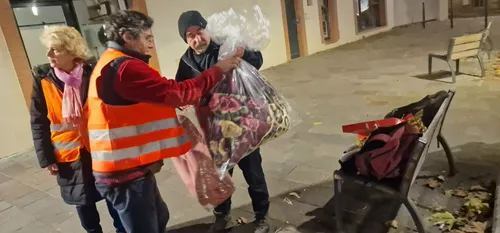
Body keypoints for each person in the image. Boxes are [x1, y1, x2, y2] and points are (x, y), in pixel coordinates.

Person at [87, 10, 240, 233]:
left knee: (159, 217)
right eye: (147, 38)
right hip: (123, 172)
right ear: (128, 37)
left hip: (131, 166)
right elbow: (177, 92)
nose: (151, 45)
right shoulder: (125, 67)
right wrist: (218, 70)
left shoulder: (111, 61)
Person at [176, 10, 270, 233]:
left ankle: (262, 216)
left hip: (242, 124)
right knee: (220, 176)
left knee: (254, 174)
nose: (197, 39)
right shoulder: (186, 62)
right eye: (190, 36)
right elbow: (182, 90)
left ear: (206, 29)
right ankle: (222, 215)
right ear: (186, 39)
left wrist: (243, 50)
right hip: (213, 130)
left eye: (199, 31)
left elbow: (257, 61)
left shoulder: (225, 47)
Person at [30, 25, 125, 233]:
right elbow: (38, 121)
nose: (49, 54)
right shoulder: (43, 80)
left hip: (100, 150)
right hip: (69, 156)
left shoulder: (94, 73)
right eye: (48, 49)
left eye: (55, 49)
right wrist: (46, 158)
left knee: (113, 197)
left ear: (71, 50)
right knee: (84, 206)